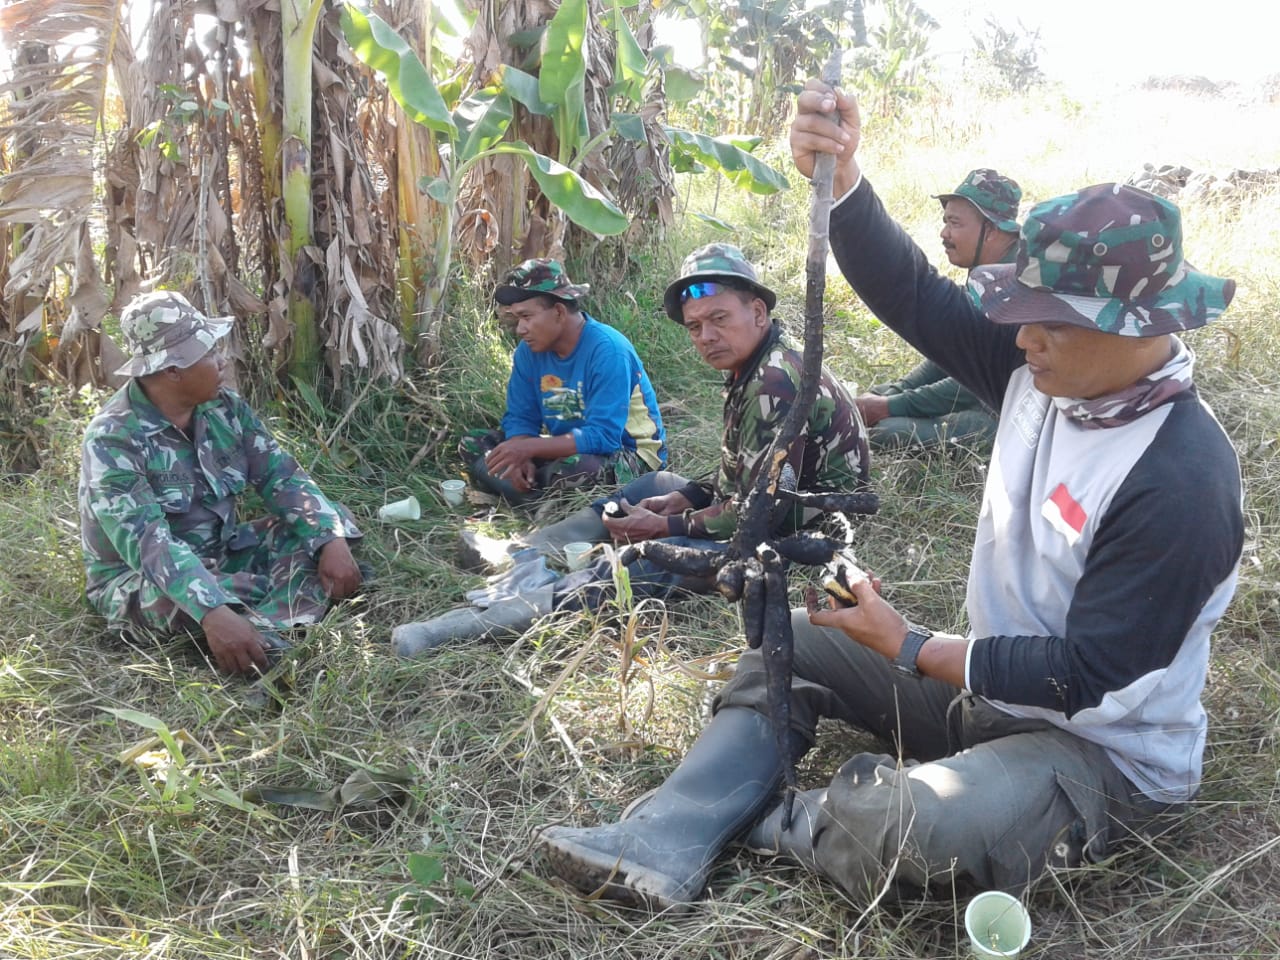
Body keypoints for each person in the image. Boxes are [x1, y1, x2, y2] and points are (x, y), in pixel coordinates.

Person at [535, 83, 1243, 911]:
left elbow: (1088, 674)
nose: (1021, 337)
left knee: (924, 828)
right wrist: (845, 181)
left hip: (1097, 749)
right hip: (989, 694)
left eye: (1049, 321)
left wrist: (908, 645)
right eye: (1022, 314)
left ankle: (795, 819)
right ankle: (667, 833)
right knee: (793, 637)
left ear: (1135, 323)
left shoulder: (1181, 477)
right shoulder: (1038, 375)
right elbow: (916, 297)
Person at [392, 244, 870, 657]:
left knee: (650, 558)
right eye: (695, 326)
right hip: (772, 510)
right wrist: (691, 496)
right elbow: (750, 476)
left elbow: (761, 512)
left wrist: (669, 525)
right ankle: (525, 554)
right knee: (659, 486)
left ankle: (468, 624)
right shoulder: (760, 363)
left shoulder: (773, 382)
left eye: (719, 319)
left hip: (800, 537)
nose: (705, 336)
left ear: (758, 313)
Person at [78, 291, 364, 676]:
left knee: (330, 526)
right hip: (143, 578)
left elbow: (282, 476)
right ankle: (265, 622)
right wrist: (212, 609)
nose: (223, 361)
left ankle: (268, 624)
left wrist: (329, 539)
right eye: (210, 353)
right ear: (173, 370)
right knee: (190, 600)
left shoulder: (224, 407)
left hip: (223, 550)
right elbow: (149, 545)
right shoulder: (113, 439)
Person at [458, 258, 667, 505]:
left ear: (558, 312)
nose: (520, 329)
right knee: (473, 444)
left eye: (526, 316)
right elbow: (521, 417)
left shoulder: (609, 350)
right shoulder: (528, 352)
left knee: (577, 468)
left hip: (626, 453)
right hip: (566, 448)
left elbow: (604, 437)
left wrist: (528, 449)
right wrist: (519, 454)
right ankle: (537, 494)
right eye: (516, 319)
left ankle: (527, 496)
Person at [856, 168, 1020, 452]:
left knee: (886, 431)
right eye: (945, 222)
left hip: (1010, 415)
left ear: (991, 231)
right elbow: (957, 348)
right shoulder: (989, 273)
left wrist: (891, 406)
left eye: (955, 223)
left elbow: (972, 382)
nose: (944, 233)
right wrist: (894, 392)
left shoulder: (1014, 287)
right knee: (863, 404)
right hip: (981, 398)